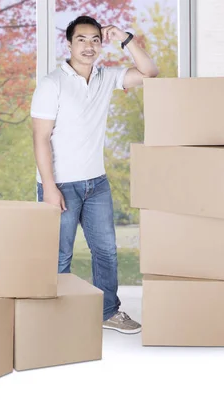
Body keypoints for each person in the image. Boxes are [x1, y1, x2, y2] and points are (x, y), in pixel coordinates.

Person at [30, 16, 159, 334]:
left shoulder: (107, 77)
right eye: (81, 39)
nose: (89, 46)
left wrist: (125, 38)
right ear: (69, 43)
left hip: (96, 183)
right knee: (60, 255)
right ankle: (52, 315)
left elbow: (149, 73)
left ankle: (108, 312)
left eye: (95, 40)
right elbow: (40, 138)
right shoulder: (51, 84)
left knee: (106, 251)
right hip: (60, 184)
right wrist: (49, 187)